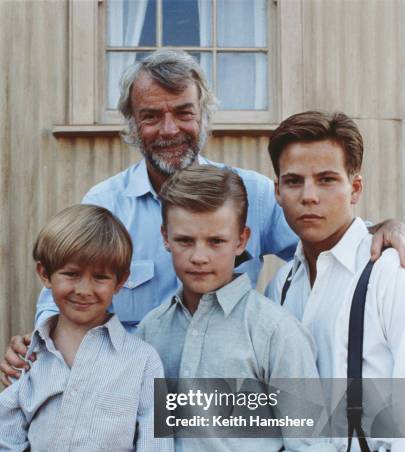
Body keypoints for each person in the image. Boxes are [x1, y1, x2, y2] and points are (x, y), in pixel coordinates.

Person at [1, 48, 404, 385]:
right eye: (151, 116)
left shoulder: (253, 195)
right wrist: (34, 345)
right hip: (126, 406)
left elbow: (324, 234)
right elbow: (61, 299)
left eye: (183, 113)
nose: (169, 129)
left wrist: (382, 229)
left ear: (204, 116)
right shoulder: (105, 205)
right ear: (132, 123)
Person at [137, 165, 338, 452]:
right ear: (165, 238)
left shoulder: (275, 332)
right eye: (185, 241)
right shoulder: (150, 333)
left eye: (216, 241)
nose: (200, 256)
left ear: (243, 240)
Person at [0, 205, 181, 452]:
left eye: (100, 277)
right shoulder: (27, 358)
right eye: (70, 273)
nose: (84, 288)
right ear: (44, 274)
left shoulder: (141, 361)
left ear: (121, 282)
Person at [265, 111, 405, 452]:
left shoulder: (388, 270)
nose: (309, 195)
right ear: (277, 191)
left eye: (327, 180)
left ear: (355, 187)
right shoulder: (281, 282)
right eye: (293, 181)